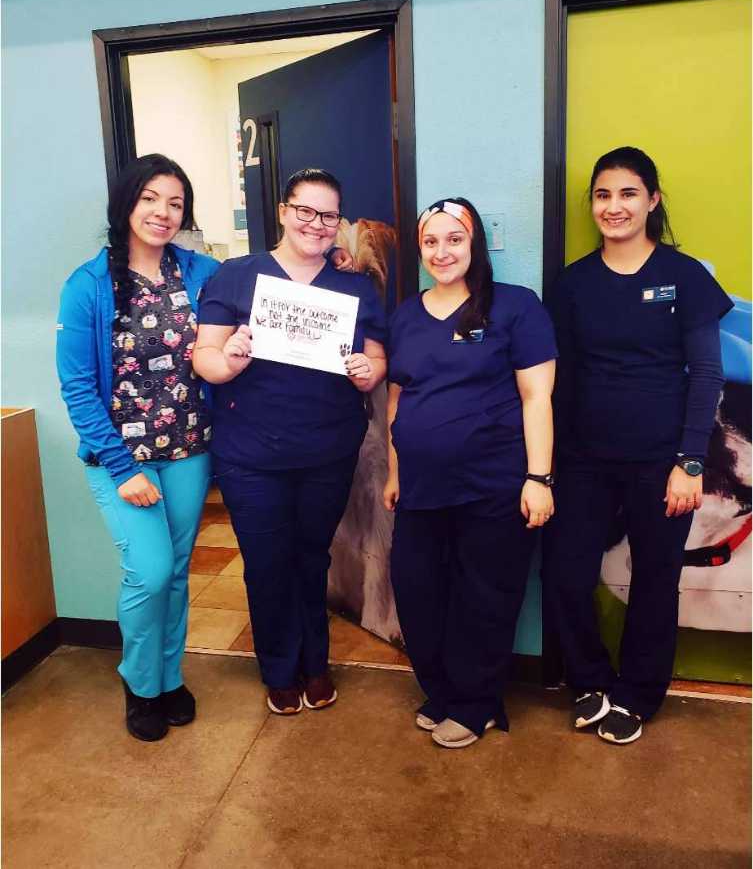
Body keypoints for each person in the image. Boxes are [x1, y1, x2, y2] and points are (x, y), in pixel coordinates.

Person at [543, 147, 732, 745]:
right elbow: (558, 382)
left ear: (652, 200)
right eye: (603, 195)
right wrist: (543, 468)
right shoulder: (573, 283)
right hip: (582, 461)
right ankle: (590, 681)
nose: (614, 206)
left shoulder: (685, 277)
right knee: (566, 574)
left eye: (628, 194)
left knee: (655, 579)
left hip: (663, 462)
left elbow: (706, 374)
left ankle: (639, 694)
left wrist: (690, 463)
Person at [193, 167, 386, 716]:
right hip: (250, 455)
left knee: (311, 556)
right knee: (265, 561)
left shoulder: (354, 286)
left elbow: (377, 361)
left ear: (338, 224)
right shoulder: (236, 276)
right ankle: (279, 666)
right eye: (305, 210)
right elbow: (204, 358)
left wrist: (365, 371)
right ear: (283, 211)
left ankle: (315, 663)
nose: (316, 224)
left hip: (327, 451)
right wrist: (228, 359)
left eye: (328, 216)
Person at [56, 153, 220, 742]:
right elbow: (76, 386)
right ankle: (138, 680)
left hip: (189, 451)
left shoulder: (201, 272)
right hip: (121, 460)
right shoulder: (89, 284)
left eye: (175, 202)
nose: (163, 212)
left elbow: (248, 312)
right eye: (151, 197)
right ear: (127, 202)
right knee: (148, 572)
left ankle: (168, 679)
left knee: (176, 573)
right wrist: (122, 467)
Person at [383, 198, 558, 749]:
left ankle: (477, 703)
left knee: (484, 595)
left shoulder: (515, 307)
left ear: (475, 243)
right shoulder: (406, 315)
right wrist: (394, 473)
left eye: (454, 239)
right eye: (431, 242)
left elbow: (537, 397)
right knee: (417, 590)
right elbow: (396, 402)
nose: (442, 252)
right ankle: (442, 692)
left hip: (494, 486)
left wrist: (540, 478)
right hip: (420, 488)